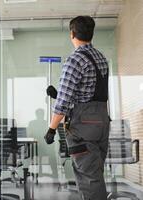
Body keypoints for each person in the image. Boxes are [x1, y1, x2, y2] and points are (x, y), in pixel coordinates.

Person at [44, 16, 110, 200]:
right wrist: (57, 94)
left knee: (89, 179)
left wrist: (51, 129)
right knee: (94, 174)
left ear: (72, 34)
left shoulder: (74, 60)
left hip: (83, 128)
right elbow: (90, 93)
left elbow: (64, 102)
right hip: (101, 124)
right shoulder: (101, 58)